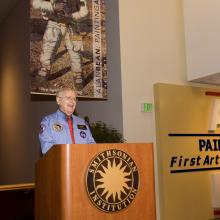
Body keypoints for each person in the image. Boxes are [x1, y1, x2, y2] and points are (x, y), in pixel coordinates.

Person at [32, 0, 89, 91]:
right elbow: (35, 3)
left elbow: (85, 12)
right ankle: (45, 68)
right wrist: (53, 6)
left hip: (72, 24)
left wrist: (71, 16)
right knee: (48, 46)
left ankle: (77, 73)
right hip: (54, 23)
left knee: (76, 49)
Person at [39, 88, 95, 154]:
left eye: (74, 99)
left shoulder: (82, 122)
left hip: (83, 163)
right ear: (59, 100)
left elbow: (92, 145)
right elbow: (47, 148)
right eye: (68, 98)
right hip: (60, 163)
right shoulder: (48, 121)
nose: (72, 101)